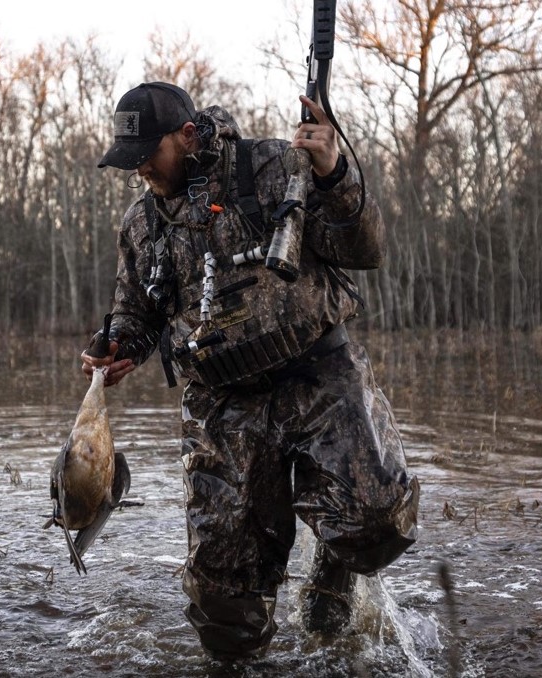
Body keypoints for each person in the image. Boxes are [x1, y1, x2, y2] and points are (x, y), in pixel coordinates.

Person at [84, 81, 419, 659]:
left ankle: (331, 573)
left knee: (377, 523)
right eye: (128, 161)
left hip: (314, 373)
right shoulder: (141, 223)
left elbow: (365, 249)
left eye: (146, 156)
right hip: (221, 404)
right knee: (223, 615)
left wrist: (335, 172)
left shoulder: (270, 167)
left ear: (186, 135)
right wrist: (119, 345)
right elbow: (135, 311)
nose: (138, 171)